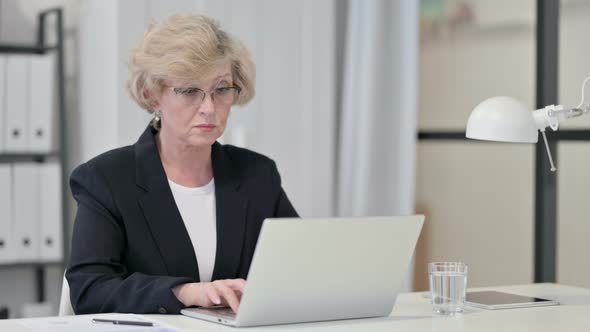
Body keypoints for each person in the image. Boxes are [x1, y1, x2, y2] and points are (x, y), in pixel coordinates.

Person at [66, 14, 298, 315]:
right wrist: (185, 292)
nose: (209, 108)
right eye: (190, 91)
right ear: (153, 96)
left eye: (222, 89)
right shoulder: (105, 178)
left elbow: (299, 267)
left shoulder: (258, 174)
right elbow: (90, 290)